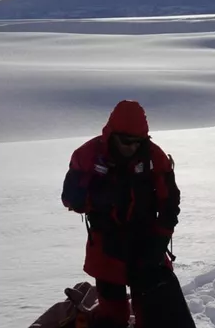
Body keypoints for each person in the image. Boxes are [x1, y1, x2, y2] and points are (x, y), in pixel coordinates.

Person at [61, 100, 182, 328]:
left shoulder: (154, 158)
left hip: (146, 242)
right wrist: (93, 196)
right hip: (107, 245)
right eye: (127, 141)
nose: (132, 147)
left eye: (138, 142)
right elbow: (69, 199)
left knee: (155, 311)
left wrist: (160, 239)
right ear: (112, 134)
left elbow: (170, 203)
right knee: (113, 317)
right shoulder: (88, 156)